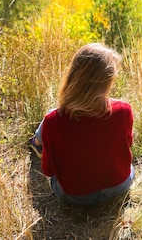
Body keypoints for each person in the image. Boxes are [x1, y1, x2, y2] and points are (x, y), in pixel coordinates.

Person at [29, 43, 134, 206]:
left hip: (75, 196)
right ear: (107, 81)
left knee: (50, 116)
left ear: (73, 76)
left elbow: (48, 170)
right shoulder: (124, 110)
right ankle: (38, 141)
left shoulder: (54, 120)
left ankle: (37, 142)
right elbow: (127, 145)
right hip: (119, 186)